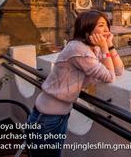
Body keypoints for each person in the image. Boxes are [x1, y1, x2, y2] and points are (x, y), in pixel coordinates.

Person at [26, 10, 124, 157]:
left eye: (107, 25)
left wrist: (109, 45)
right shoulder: (79, 50)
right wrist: (105, 47)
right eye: (101, 25)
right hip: (46, 118)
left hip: (59, 115)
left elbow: (119, 70)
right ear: (87, 27)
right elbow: (110, 77)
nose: (107, 30)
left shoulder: (92, 48)